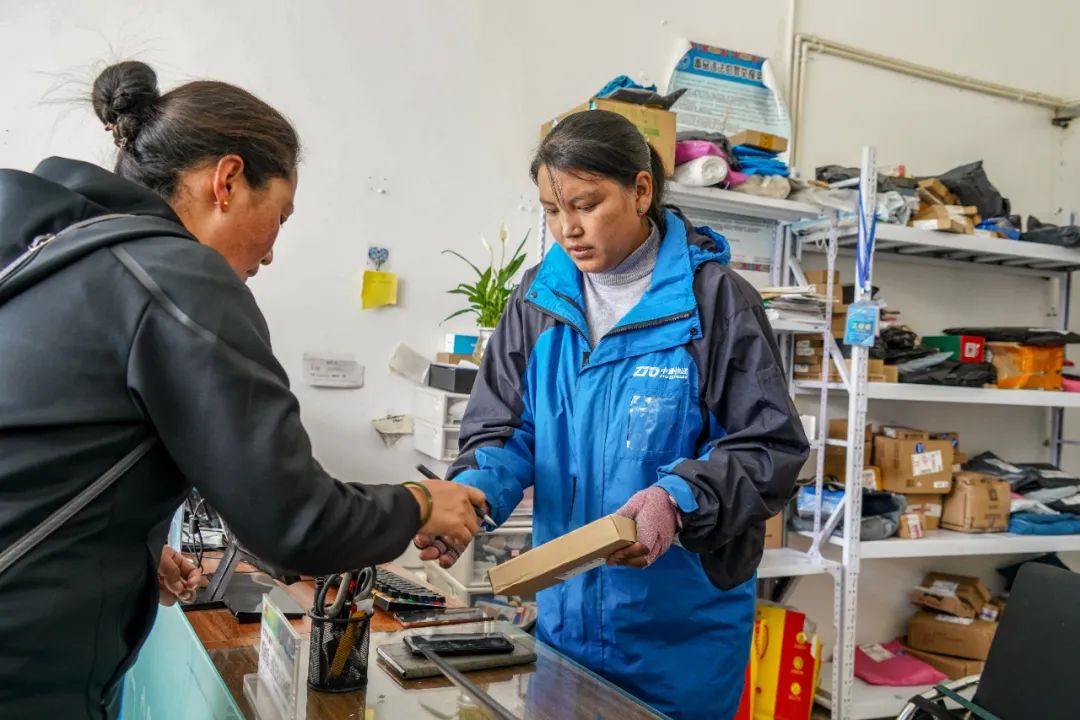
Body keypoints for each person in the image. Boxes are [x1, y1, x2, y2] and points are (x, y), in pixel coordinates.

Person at [0, 60, 485, 719]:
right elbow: (295, 523)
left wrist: (119, 549)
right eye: (280, 216)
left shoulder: (49, 254)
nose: (272, 252)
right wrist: (421, 501)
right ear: (227, 181)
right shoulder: (174, 278)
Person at [417, 110, 809, 719]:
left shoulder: (716, 301)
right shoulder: (538, 300)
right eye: (551, 209)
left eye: (586, 203)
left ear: (642, 190)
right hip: (566, 629)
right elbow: (506, 428)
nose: (567, 229)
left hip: (679, 641)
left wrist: (677, 500)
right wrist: (469, 496)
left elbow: (770, 447)